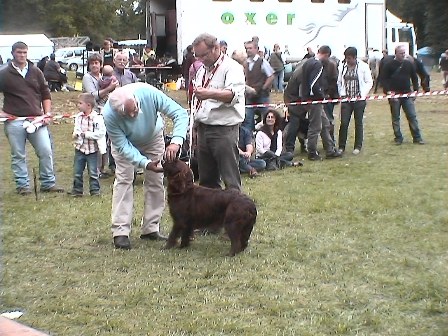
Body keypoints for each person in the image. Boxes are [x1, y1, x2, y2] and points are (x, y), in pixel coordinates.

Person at [102, 83, 189, 250]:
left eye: (135, 109)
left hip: (153, 137)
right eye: (128, 114)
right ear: (118, 112)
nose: (134, 115)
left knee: (156, 181)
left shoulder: (149, 93)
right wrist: (146, 163)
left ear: (136, 100)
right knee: (124, 180)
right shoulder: (109, 115)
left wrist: (176, 141)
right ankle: (120, 232)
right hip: (125, 143)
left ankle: (151, 228)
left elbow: (179, 113)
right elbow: (122, 146)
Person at [0, 41, 64, 195]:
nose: (22, 55)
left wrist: (47, 113)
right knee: (18, 154)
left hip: (36, 119)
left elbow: (45, 93)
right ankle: (23, 185)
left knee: (45, 150)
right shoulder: (3, 73)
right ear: (13, 53)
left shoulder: (36, 71)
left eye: (24, 52)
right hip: (14, 120)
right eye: (19, 52)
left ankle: (48, 183)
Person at [191, 33, 245, 190]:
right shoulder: (202, 70)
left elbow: (232, 95)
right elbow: (198, 101)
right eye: (197, 56)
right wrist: (195, 125)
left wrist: (208, 93)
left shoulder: (232, 68)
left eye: (204, 55)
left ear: (216, 48)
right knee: (207, 180)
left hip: (224, 130)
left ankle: (236, 212)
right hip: (203, 128)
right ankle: (211, 213)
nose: (200, 59)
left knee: (230, 178)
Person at [301, 45, 342, 160]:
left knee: (325, 124)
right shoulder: (317, 64)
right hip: (314, 99)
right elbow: (314, 84)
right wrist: (321, 96)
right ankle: (312, 152)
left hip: (308, 98)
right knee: (316, 126)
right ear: (326, 55)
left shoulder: (308, 62)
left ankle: (330, 149)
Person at [82, 53, 119, 177]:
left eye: (96, 63)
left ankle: (103, 168)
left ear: (101, 65)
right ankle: (96, 170)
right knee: (96, 142)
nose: (94, 65)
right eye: (92, 63)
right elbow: (92, 96)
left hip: (107, 112)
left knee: (106, 142)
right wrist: (109, 88)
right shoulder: (87, 78)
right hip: (94, 114)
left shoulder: (104, 78)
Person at [382, 45, 424, 145]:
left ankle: (417, 137)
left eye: (404, 53)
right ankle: (398, 138)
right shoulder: (388, 65)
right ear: (396, 53)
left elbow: (414, 78)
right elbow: (384, 79)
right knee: (396, 117)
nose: (403, 55)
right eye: (401, 53)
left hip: (407, 94)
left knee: (412, 116)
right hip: (394, 95)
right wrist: (388, 92)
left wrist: (415, 90)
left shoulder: (409, 64)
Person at [68, 93, 106, 197]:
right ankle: (77, 190)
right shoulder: (78, 117)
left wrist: (87, 135)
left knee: (93, 172)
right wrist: (76, 134)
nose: (78, 105)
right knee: (77, 171)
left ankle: (95, 191)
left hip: (92, 150)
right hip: (80, 149)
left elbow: (101, 133)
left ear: (88, 105)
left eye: (80, 103)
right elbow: (77, 129)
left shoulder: (97, 118)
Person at [337, 47, 373, 155]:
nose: (347, 60)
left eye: (349, 58)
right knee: (344, 123)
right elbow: (339, 82)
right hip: (346, 100)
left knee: (358, 122)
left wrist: (362, 95)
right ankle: (341, 147)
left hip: (359, 100)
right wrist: (342, 94)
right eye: (346, 58)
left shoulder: (363, 66)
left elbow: (369, 82)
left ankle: (357, 146)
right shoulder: (342, 67)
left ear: (355, 57)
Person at [242, 40, 275, 132]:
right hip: (249, 96)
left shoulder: (262, 62)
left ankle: (269, 138)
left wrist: (263, 88)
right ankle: (250, 142)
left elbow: (271, 76)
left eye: (250, 48)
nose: (248, 50)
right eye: (246, 48)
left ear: (256, 49)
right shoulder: (245, 63)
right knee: (248, 120)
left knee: (267, 118)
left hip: (262, 95)